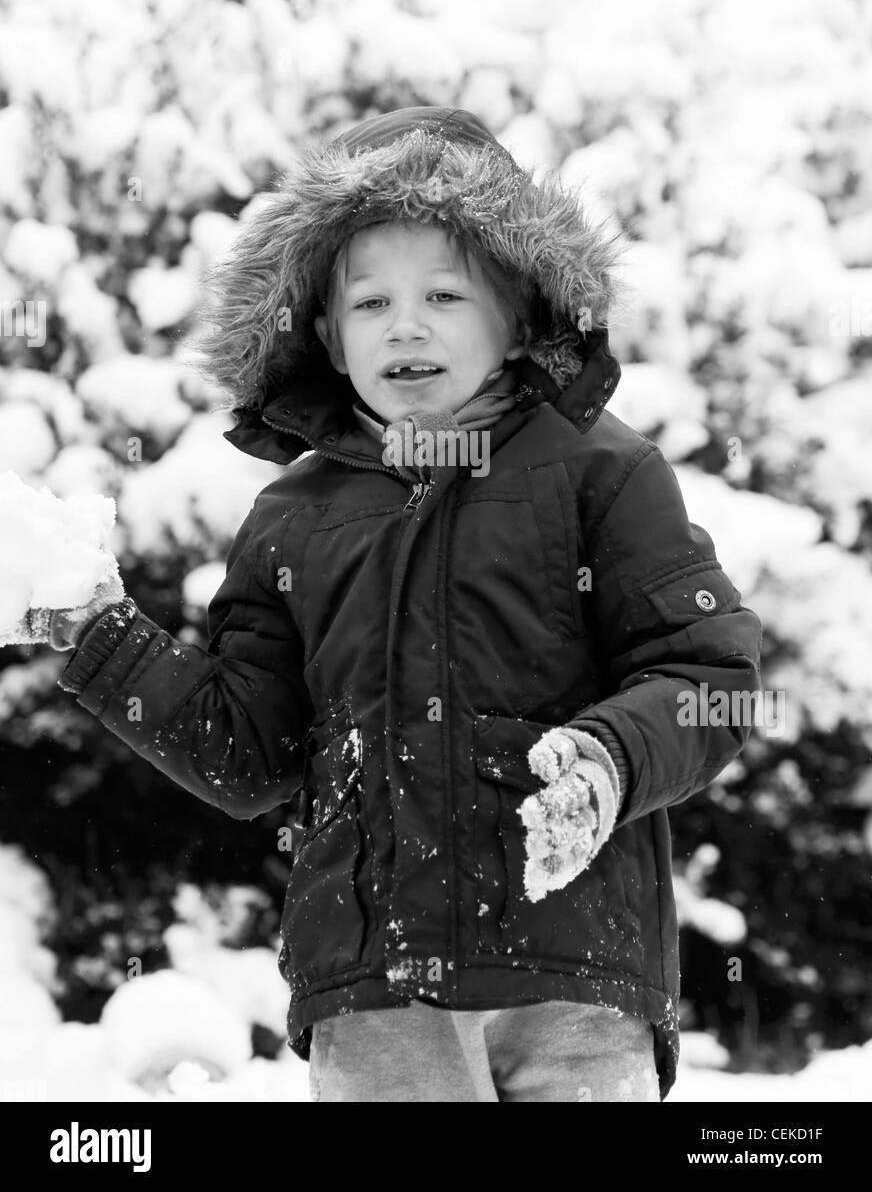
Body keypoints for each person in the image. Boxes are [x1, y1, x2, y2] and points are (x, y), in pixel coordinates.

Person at [22, 105, 763, 1101]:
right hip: (374, 990)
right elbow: (247, 753)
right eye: (368, 303)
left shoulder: (599, 472)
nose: (404, 324)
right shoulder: (291, 517)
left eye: (445, 294)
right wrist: (102, 640)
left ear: (518, 310)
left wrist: (608, 759)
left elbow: (706, 672)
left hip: (572, 973)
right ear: (322, 332)